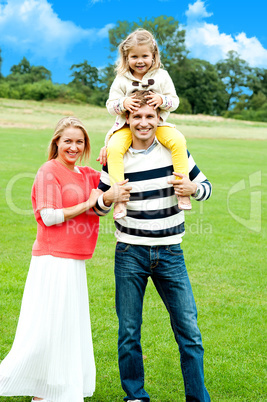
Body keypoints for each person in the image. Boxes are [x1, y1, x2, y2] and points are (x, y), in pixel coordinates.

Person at [0, 117, 131, 402]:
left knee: (66, 327)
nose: (73, 147)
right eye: (68, 141)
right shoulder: (49, 171)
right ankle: (35, 389)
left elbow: (109, 189)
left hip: (74, 259)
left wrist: (110, 151)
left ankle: (50, 391)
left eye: (79, 142)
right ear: (56, 142)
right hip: (52, 259)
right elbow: (49, 216)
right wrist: (88, 203)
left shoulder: (87, 174)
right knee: (46, 327)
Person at [98, 91, 212, 402]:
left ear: (159, 119)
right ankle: (135, 395)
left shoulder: (175, 153)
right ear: (127, 120)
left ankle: (198, 398)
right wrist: (108, 198)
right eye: (138, 117)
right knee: (128, 333)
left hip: (170, 253)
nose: (144, 122)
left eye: (150, 116)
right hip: (129, 253)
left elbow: (207, 187)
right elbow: (98, 206)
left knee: (189, 332)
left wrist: (193, 188)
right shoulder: (116, 158)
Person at [105, 28, 191, 219]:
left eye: (145, 56)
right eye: (134, 57)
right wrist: (123, 103)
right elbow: (110, 106)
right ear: (126, 58)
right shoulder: (121, 80)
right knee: (114, 148)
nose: (140, 61)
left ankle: (183, 192)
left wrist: (162, 100)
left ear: (154, 56)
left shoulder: (162, 76)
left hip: (157, 126)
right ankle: (120, 199)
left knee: (178, 140)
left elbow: (174, 101)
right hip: (126, 128)